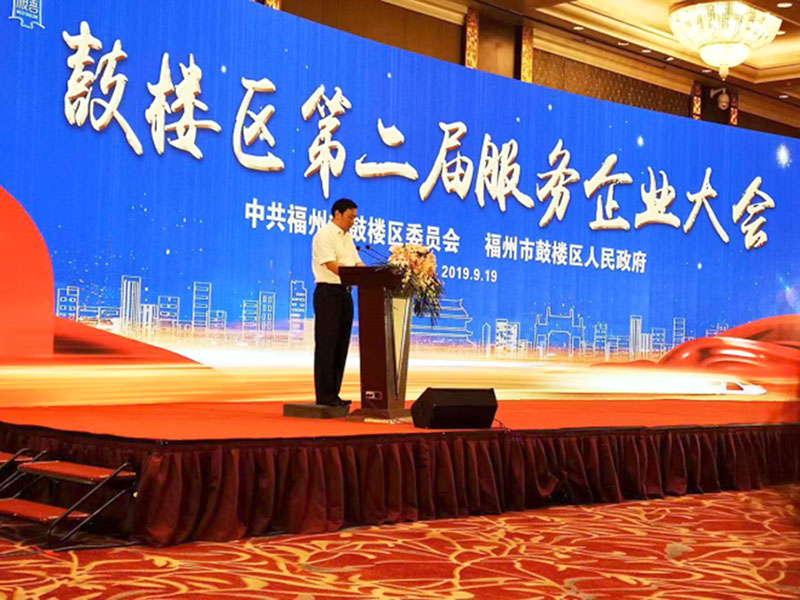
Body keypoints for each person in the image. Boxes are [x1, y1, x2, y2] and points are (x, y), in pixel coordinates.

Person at [311, 198, 365, 407]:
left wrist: (372, 275)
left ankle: (334, 393)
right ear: (337, 214)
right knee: (327, 344)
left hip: (345, 294)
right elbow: (332, 265)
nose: (353, 221)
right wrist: (355, 276)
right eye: (350, 217)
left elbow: (357, 263)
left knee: (341, 345)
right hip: (328, 294)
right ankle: (324, 395)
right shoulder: (324, 235)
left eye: (355, 218)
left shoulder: (347, 237)